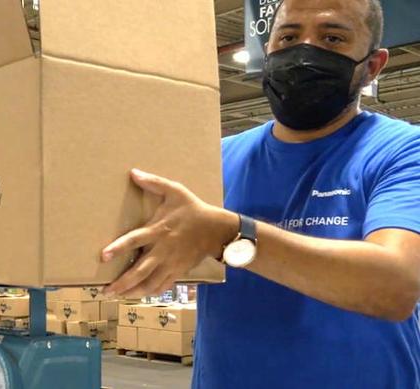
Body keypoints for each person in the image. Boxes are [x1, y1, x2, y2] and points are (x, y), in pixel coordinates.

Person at [101, 0, 420, 387]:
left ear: (372, 65)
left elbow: (397, 286)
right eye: (288, 36)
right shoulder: (216, 159)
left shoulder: (402, 150)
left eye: (332, 37)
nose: (303, 52)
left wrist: (228, 234)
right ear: (266, 52)